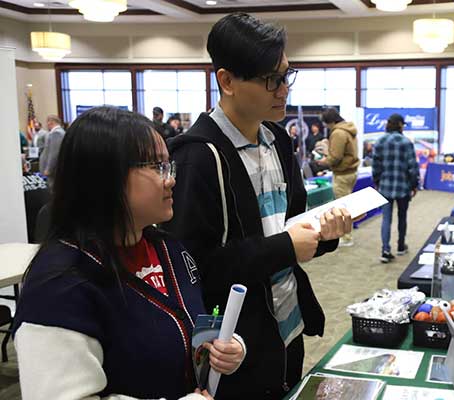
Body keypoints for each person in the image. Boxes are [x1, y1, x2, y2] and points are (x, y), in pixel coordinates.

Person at [163, 13, 353, 399]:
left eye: (286, 75)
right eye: (271, 79)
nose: (283, 89)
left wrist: (325, 232)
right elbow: (193, 268)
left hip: (288, 325)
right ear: (227, 81)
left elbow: (293, 224)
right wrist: (286, 246)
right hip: (234, 344)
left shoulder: (279, 141)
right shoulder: (198, 156)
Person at [12, 106, 245, 400]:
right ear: (105, 177)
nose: (171, 179)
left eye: (169, 166)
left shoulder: (169, 249)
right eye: (157, 167)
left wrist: (224, 345)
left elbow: (192, 320)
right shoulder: (59, 286)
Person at [372, 113, 419, 263]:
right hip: (403, 186)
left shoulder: (380, 142)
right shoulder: (406, 142)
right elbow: (412, 167)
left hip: (385, 186)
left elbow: (376, 167)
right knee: (402, 217)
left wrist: (377, 181)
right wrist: (414, 184)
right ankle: (400, 246)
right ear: (400, 124)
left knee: (386, 219)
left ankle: (385, 250)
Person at [318, 108, 359, 247]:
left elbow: (335, 157)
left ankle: (346, 237)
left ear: (329, 122)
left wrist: (323, 161)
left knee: (342, 207)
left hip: (342, 174)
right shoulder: (348, 129)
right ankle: (347, 235)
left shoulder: (338, 133)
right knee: (347, 204)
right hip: (351, 172)